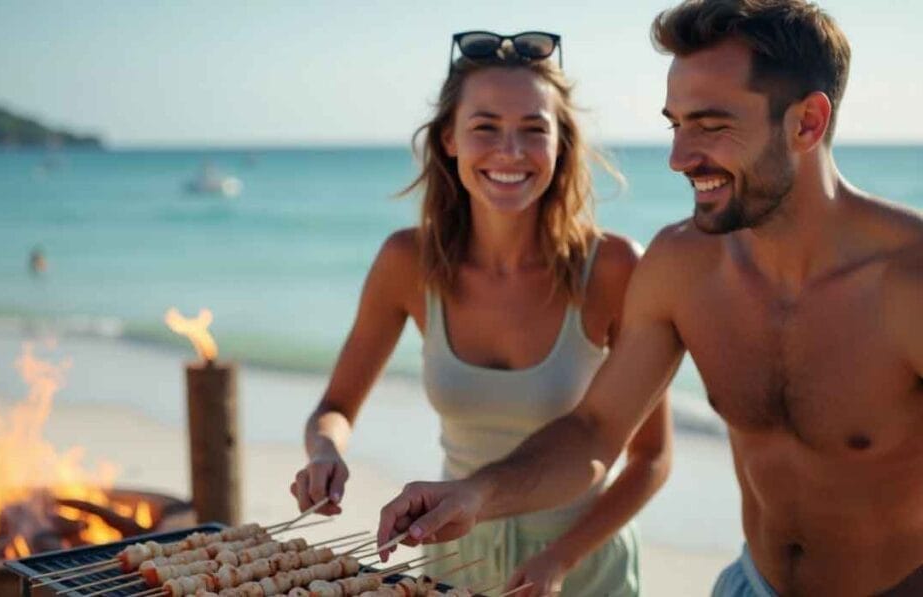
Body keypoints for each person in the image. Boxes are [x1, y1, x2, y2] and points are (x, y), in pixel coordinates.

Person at [376, 2, 923, 596]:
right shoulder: (683, 265)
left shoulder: (907, 283)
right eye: (676, 124)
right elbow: (594, 429)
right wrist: (477, 493)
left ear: (806, 124)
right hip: (750, 585)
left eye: (711, 126)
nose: (680, 157)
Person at [291, 31, 672, 596]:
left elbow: (650, 459)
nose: (510, 152)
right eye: (485, 127)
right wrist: (325, 451)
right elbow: (336, 407)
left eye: (533, 130)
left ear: (561, 142)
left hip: (582, 566)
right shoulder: (407, 262)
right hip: (452, 558)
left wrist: (560, 559)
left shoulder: (613, 267)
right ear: (449, 139)